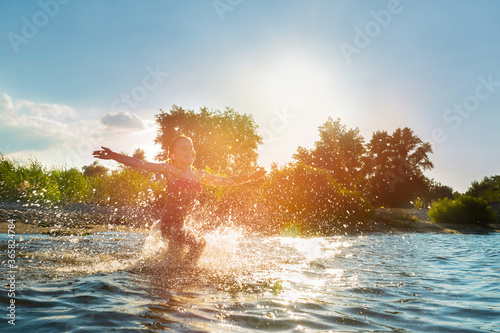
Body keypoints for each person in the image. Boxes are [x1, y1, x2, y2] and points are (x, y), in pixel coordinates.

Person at [93, 135, 266, 266]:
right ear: (172, 154)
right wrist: (114, 155)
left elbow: (226, 181)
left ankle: (169, 271)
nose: (189, 150)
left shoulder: (199, 174)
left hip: (180, 225)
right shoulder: (170, 169)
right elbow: (140, 163)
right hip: (169, 224)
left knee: (172, 259)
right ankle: (188, 270)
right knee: (200, 243)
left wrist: (252, 177)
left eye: (191, 147)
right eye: (183, 148)